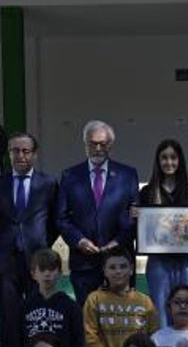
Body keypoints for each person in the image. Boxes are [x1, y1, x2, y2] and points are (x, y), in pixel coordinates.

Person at [0, 134, 61, 347]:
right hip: (5, 260)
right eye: (15, 151)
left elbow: (55, 221)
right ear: (9, 154)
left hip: (37, 261)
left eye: (25, 151)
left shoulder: (48, 183)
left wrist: (41, 244)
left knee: (36, 314)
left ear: (34, 154)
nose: (20, 155)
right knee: (9, 317)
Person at [56, 120, 139, 301]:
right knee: (87, 320)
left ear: (110, 144)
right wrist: (79, 241)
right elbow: (61, 218)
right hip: (83, 263)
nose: (98, 148)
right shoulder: (70, 176)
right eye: (93, 143)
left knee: (122, 319)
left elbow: (135, 216)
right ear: (85, 143)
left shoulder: (128, 175)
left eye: (103, 143)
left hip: (119, 262)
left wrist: (117, 242)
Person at [134, 139, 188, 320]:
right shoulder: (147, 192)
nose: (169, 162)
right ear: (158, 161)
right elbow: (142, 230)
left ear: (180, 160)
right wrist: (135, 216)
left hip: (186, 262)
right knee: (161, 312)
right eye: (164, 158)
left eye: (173, 157)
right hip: (158, 262)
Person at [83, 254, 159, 347]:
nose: (118, 271)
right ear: (104, 271)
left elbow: (153, 338)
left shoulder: (144, 301)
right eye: (112, 267)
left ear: (131, 269)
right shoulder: (94, 299)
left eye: (123, 267)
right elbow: (90, 338)